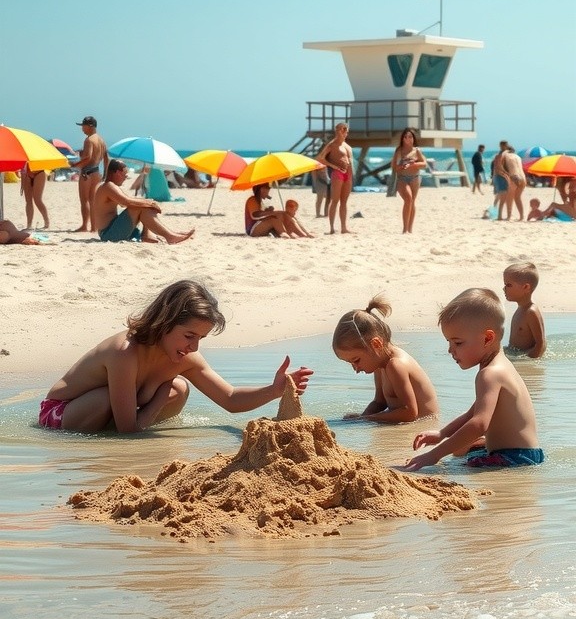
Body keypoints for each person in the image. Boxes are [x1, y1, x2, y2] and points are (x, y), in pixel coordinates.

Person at [38, 279, 314, 433]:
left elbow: (229, 399)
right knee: (106, 399)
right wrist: (158, 400)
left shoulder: (185, 357)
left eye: (201, 339)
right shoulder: (125, 353)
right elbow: (128, 431)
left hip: (125, 414)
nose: (193, 347)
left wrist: (274, 390)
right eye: (189, 336)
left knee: (179, 387)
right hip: (60, 413)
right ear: (165, 321)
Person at [405, 288, 543, 470]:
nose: (450, 350)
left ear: (487, 338)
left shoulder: (489, 374)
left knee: (462, 462)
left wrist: (433, 455)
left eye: (458, 343)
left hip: (514, 459)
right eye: (449, 342)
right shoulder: (501, 365)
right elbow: (474, 413)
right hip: (525, 454)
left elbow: (478, 424)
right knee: (459, 450)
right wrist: (441, 434)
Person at [332, 295, 439, 423]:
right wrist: (360, 418)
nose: (355, 369)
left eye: (356, 360)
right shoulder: (379, 364)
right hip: (404, 423)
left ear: (376, 344)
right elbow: (379, 402)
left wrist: (367, 419)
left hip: (422, 427)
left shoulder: (396, 365)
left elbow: (409, 412)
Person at [93, 159, 195, 244]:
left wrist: (147, 202)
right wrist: (149, 203)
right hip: (108, 234)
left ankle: (166, 234)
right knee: (140, 205)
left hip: (111, 229)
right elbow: (126, 202)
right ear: (117, 173)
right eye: (125, 174)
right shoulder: (108, 186)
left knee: (142, 205)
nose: (125, 177)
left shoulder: (108, 186)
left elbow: (126, 201)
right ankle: (169, 236)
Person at [503, 261, 546, 358]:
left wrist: (525, 363)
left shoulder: (531, 312)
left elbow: (541, 344)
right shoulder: (520, 309)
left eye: (508, 285)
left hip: (524, 359)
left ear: (526, 287)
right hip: (515, 354)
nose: (504, 289)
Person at [317, 122, 354, 234]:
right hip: (337, 174)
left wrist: (351, 177)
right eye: (341, 129)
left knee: (344, 202)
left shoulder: (347, 146)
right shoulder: (332, 144)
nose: (343, 132)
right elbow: (320, 158)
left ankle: (344, 228)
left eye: (345, 130)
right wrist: (334, 166)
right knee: (335, 201)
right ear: (336, 130)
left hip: (348, 175)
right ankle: (332, 228)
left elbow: (350, 162)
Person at [73, 116, 108, 232]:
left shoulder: (89, 140)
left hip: (87, 173)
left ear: (90, 126)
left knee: (84, 200)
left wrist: (75, 164)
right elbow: (106, 158)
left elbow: (88, 157)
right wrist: (106, 174)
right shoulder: (101, 140)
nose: (82, 128)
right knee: (93, 201)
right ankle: (93, 227)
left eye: (83, 126)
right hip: (97, 172)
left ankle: (84, 226)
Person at [391, 127, 427, 234]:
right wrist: (402, 166)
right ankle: (404, 229)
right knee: (408, 199)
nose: (408, 139)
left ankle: (410, 229)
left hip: (415, 178)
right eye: (406, 137)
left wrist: (413, 164)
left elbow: (424, 164)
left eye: (410, 136)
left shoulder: (417, 151)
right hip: (402, 178)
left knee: (412, 202)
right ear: (403, 139)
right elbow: (394, 167)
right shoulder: (399, 150)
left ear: (413, 138)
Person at [244, 183, 313, 238]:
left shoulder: (259, 201)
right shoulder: (252, 200)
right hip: (252, 230)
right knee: (274, 218)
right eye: (268, 189)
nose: (269, 191)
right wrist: (271, 212)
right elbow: (255, 215)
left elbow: (261, 214)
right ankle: (283, 233)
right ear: (262, 189)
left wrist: (267, 210)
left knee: (283, 215)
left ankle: (302, 233)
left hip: (260, 227)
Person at [20, 163, 49, 229]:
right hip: (26, 174)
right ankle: (29, 224)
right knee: (28, 201)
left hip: (39, 172)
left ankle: (46, 221)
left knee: (37, 200)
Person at [502, 147, 526, 220]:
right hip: (523, 177)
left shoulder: (506, 156)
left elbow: (503, 168)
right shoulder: (518, 157)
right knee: (517, 198)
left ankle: (509, 216)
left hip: (514, 177)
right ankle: (521, 216)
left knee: (509, 198)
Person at [491, 140, 511, 220]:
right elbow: (499, 167)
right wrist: (508, 173)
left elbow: (495, 167)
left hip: (497, 176)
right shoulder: (503, 154)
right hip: (500, 177)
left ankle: (494, 212)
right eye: (506, 145)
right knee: (503, 197)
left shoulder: (499, 154)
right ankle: (499, 216)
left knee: (498, 196)